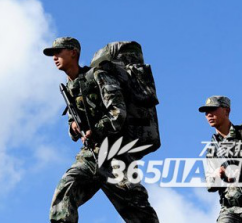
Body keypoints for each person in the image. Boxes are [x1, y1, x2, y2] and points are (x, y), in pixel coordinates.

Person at [45, 37, 159, 223]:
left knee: (137, 209)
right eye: (52, 54)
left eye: (58, 52)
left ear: (73, 52)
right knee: (66, 188)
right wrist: (74, 128)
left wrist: (96, 130)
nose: (54, 57)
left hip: (116, 152)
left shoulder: (98, 75)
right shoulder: (70, 87)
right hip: (91, 154)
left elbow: (118, 112)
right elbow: (73, 123)